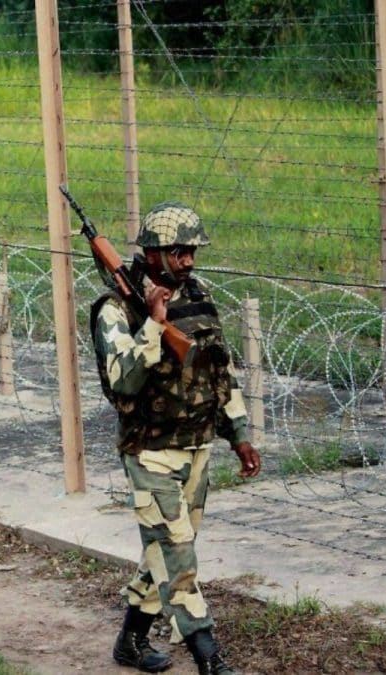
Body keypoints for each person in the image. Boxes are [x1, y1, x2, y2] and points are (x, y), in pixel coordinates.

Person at [91, 202, 261, 675]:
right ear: (152, 254)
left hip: (197, 446)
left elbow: (220, 371)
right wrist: (152, 322)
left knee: (166, 552)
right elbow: (123, 381)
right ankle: (208, 655)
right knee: (177, 553)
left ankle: (130, 640)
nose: (188, 260)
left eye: (192, 251)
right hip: (150, 451)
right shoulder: (115, 309)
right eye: (178, 252)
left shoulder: (199, 295)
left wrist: (239, 434)